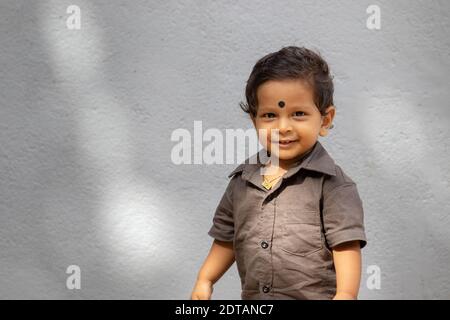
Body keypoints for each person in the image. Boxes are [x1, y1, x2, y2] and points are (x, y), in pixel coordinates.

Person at [191, 46, 367, 300]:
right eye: (270, 115)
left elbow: (345, 245)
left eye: (298, 114)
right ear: (255, 121)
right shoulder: (242, 183)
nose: (283, 127)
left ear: (325, 120)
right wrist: (205, 278)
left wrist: (346, 294)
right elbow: (226, 238)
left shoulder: (333, 187)